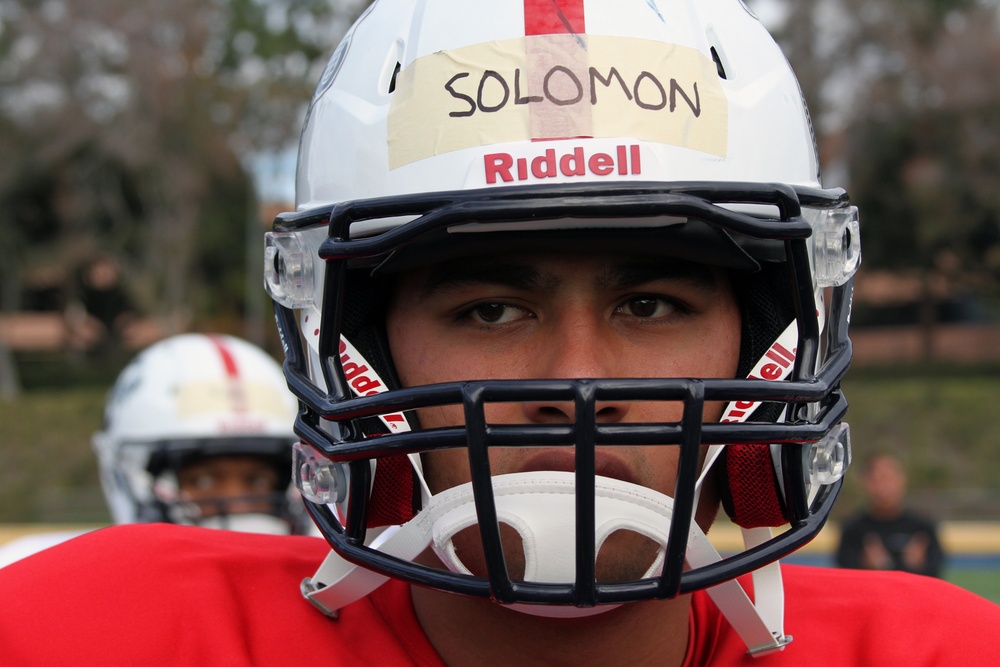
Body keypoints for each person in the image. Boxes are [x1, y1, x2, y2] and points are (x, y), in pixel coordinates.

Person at [1, 1, 998, 664]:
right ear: (358, 348)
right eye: (490, 309)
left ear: (766, 342)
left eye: (649, 304)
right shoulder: (95, 633)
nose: (574, 381)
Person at [0, 333, 309, 568]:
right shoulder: (42, 574)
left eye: (256, 481)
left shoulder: (338, 580)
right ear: (132, 474)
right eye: (203, 480)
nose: (238, 505)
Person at [836, 453, 944, 577]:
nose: (884, 486)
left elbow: (935, 575)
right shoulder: (853, 530)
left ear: (902, 479)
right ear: (865, 482)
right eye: (878, 479)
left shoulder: (923, 529)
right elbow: (847, 576)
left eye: (889, 478)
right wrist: (869, 566)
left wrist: (907, 567)